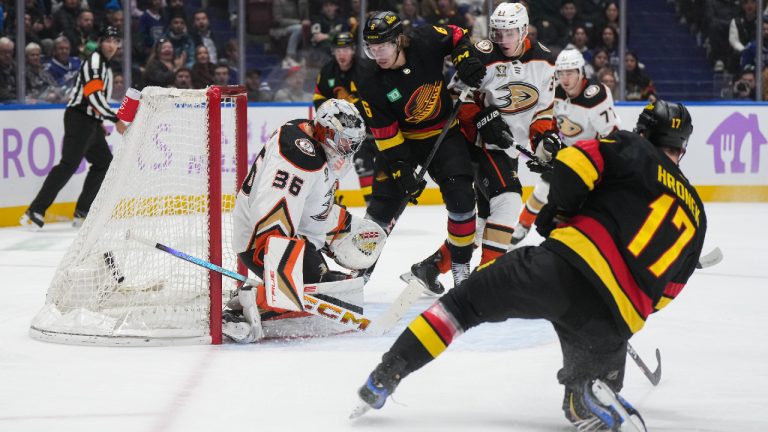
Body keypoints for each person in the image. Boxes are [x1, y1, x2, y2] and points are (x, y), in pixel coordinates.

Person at [354, 100, 706, 432]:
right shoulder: (697, 215)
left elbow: (572, 165)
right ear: (682, 149)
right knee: (580, 406)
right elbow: (666, 295)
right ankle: (588, 393)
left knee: (461, 305)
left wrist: (562, 211)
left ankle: (388, 372)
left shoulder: (630, 147)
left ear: (644, 131)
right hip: (615, 321)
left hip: (563, 270)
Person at [408, 2, 557, 289]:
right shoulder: (481, 54)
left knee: (485, 222)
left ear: (524, 30)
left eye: (510, 32)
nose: (502, 39)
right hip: (474, 144)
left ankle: (431, 267)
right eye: (497, 32)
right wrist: (483, 118)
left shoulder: (545, 61)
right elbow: (453, 98)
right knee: (510, 199)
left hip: (508, 149)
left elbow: (543, 110)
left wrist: (542, 141)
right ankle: (487, 280)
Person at [224, 98, 381, 343]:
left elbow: (312, 205)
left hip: (295, 238)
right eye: (345, 142)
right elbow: (273, 221)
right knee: (324, 293)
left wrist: (341, 228)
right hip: (261, 244)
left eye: (353, 143)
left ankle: (264, 297)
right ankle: (248, 305)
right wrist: (283, 284)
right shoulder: (298, 159)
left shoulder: (311, 139)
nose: (349, 149)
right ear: (326, 132)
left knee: (336, 288)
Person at [356, 11, 478, 290]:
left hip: (444, 134)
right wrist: (401, 167)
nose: (378, 54)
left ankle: (461, 269)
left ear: (399, 39)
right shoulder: (370, 80)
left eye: (383, 46)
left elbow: (458, 34)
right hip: (402, 142)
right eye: (372, 48)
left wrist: (464, 58)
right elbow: (385, 133)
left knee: (462, 199)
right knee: (381, 210)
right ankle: (357, 276)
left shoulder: (425, 40)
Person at [20, 26, 127, 229]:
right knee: (69, 164)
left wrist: (98, 121)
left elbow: (96, 100)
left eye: (115, 41)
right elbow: (93, 96)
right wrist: (115, 119)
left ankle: (82, 211)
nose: (112, 45)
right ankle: (35, 210)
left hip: (89, 120)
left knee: (103, 162)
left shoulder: (103, 64)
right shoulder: (95, 63)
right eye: (108, 40)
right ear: (99, 42)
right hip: (79, 118)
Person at [511, 48, 620, 246]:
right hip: (567, 152)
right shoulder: (555, 91)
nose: (565, 78)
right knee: (543, 188)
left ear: (581, 72)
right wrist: (548, 140)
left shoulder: (596, 95)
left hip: (593, 156)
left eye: (570, 72)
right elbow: (549, 121)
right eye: (561, 73)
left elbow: (611, 135)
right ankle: (523, 225)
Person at [313, 32, 377, 206]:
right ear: (333, 51)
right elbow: (319, 99)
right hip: (343, 133)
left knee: (385, 167)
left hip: (374, 127)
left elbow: (378, 98)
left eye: (346, 49)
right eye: (338, 49)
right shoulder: (327, 72)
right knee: (359, 165)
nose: (342, 54)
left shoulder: (366, 69)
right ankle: (334, 204)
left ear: (353, 50)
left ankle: (381, 206)